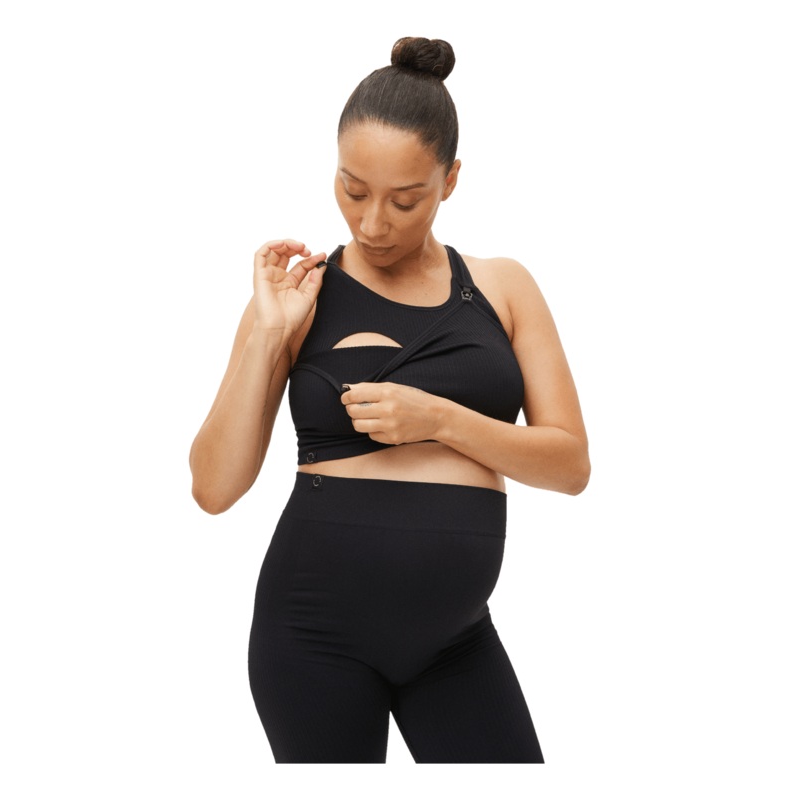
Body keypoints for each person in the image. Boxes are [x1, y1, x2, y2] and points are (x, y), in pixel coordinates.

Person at [189, 36, 589, 764]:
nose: (373, 223)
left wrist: (439, 420)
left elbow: (570, 466)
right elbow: (214, 489)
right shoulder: (297, 295)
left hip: (456, 640)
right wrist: (269, 337)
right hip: (313, 636)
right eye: (352, 191)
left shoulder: (502, 287)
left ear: (450, 180)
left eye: (405, 200)